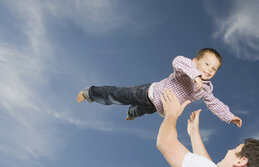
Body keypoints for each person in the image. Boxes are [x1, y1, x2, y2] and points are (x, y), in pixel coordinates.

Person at [77, 48, 242, 127]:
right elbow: (177, 61)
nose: (209, 70)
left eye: (213, 69)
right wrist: (195, 75)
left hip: (159, 108)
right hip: (148, 92)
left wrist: (229, 116)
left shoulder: (206, 89)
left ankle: (130, 113)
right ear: (195, 61)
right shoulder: (187, 69)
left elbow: (214, 103)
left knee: (142, 110)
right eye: (207, 64)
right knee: (119, 95)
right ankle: (90, 93)